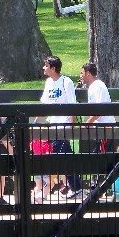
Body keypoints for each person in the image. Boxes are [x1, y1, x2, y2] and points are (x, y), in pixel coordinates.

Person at [35, 56, 82, 200]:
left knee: (54, 156)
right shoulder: (49, 82)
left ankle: (43, 192)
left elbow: (72, 104)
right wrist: (36, 122)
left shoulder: (66, 81)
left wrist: (71, 126)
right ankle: (76, 187)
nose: (44, 68)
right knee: (65, 158)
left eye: (46, 65)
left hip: (63, 126)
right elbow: (44, 104)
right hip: (53, 126)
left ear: (53, 68)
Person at [79, 62, 115, 153]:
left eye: (82, 73)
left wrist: (88, 122)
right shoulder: (92, 87)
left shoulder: (98, 86)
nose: (80, 76)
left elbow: (100, 109)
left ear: (88, 73)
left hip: (105, 127)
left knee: (103, 155)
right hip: (99, 128)